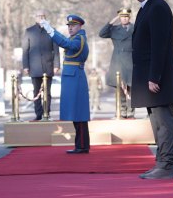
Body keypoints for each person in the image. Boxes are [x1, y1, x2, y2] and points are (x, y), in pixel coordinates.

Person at [128, 0, 173, 179]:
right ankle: (160, 162)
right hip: (149, 78)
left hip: (158, 78)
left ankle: (166, 165)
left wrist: (154, 77)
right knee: (156, 122)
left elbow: (159, 46)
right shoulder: (145, 8)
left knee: (164, 122)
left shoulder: (158, 7)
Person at [40, 15, 90, 153]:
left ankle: (82, 145)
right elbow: (64, 40)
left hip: (75, 77)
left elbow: (65, 43)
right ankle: (81, 145)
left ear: (80, 26)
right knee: (76, 113)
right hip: (72, 77)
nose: (70, 27)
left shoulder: (79, 39)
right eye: (69, 25)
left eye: (73, 25)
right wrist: (52, 30)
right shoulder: (75, 38)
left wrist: (50, 30)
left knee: (79, 114)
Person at [22, 10, 60, 120]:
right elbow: (25, 50)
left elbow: (56, 50)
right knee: (36, 92)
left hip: (48, 67)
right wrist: (25, 66)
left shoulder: (51, 31)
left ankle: (46, 113)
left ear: (45, 17)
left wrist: (56, 65)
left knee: (47, 93)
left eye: (42, 16)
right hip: (34, 67)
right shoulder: (29, 31)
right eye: (38, 16)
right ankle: (38, 114)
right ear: (35, 18)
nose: (40, 18)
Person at [99, 8, 135, 118]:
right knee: (120, 87)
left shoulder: (135, 28)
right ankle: (122, 111)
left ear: (129, 17)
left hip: (131, 60)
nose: (124, 18)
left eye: (126, 16)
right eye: (122, 17)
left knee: (131, 87)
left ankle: (131, 111)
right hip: (118, 60)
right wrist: (111, 22)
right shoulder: (114, 29)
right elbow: (102, 33)